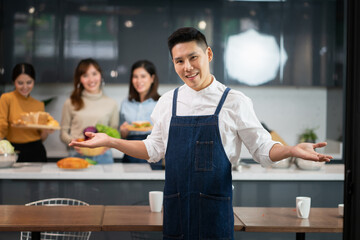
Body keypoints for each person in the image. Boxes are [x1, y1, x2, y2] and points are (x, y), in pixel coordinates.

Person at [70, 27, 333, 239]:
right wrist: (112, 141)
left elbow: (262, 149)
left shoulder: (234, 101)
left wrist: (290, 149)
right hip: (176, 212)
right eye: (179, 61)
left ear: (208, 54)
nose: (187, 67)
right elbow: (153, 150)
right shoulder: (168, 102)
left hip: (214, 214)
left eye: (193, 57)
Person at [60, 58, 119, 164]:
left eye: (94, 74)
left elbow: (114, 132)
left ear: (100, 75)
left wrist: (108, 144)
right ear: (80, 79)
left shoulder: (111, 103)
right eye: (85, 75)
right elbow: (63, 133)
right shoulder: (70, 102)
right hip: (77, 155)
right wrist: (74, 143)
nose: (91, 80)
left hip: (103, 156)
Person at [0, 63, 53, 162]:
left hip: (36, 150)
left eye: (29, 82)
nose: (25, 87)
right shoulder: (6, 99)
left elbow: (42, 137)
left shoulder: (39, 105)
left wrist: (47, 130)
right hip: (13, 150)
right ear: (14, 82)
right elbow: (1, 126)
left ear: (34, 81)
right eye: (20, 83)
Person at [119, 60, 160, 163]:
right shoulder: (126, 103)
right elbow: (122, 135)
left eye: (143, 76)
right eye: (135, 77)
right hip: (130, 151)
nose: (138, 81)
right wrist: (123, 132)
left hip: (153, 152)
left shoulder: (161, 103)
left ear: (152, 78)